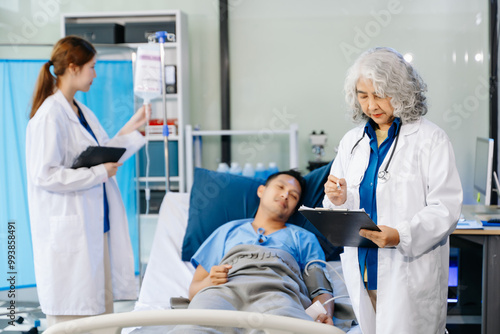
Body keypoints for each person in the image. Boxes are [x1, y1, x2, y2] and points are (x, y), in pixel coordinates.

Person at [322, 47, 463, 334]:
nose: (371, 105)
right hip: (364, 270)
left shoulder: (430, 139)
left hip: (408, 272)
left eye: (379, 95)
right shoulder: (352, 142)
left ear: (400, 92)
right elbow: (337, 204)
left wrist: (401, 235)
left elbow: (445, 209)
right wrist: (337, 198)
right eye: (363, 95)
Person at [25, 36, 149, 327]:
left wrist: (136, 125)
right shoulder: (49, 116)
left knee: (101, 320)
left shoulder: (81, 111)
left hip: (95, 229)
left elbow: (104, 151)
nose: (95, 74)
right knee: (74, 321)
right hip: (71, 235)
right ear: (73, 67)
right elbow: (44, 174)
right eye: (92, 67)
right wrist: (98, 174)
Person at [171, 170, 335, 333]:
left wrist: (324, 314)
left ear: (294, 209)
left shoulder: (304, 238)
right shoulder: (227, 231)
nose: (285, 195)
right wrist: (210, 281)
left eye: (293, 196)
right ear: (261, 191)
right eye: (280, 187)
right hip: (222, 293)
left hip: (279, 294)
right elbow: (194, 290)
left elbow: (321, 289)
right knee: (194, 328)